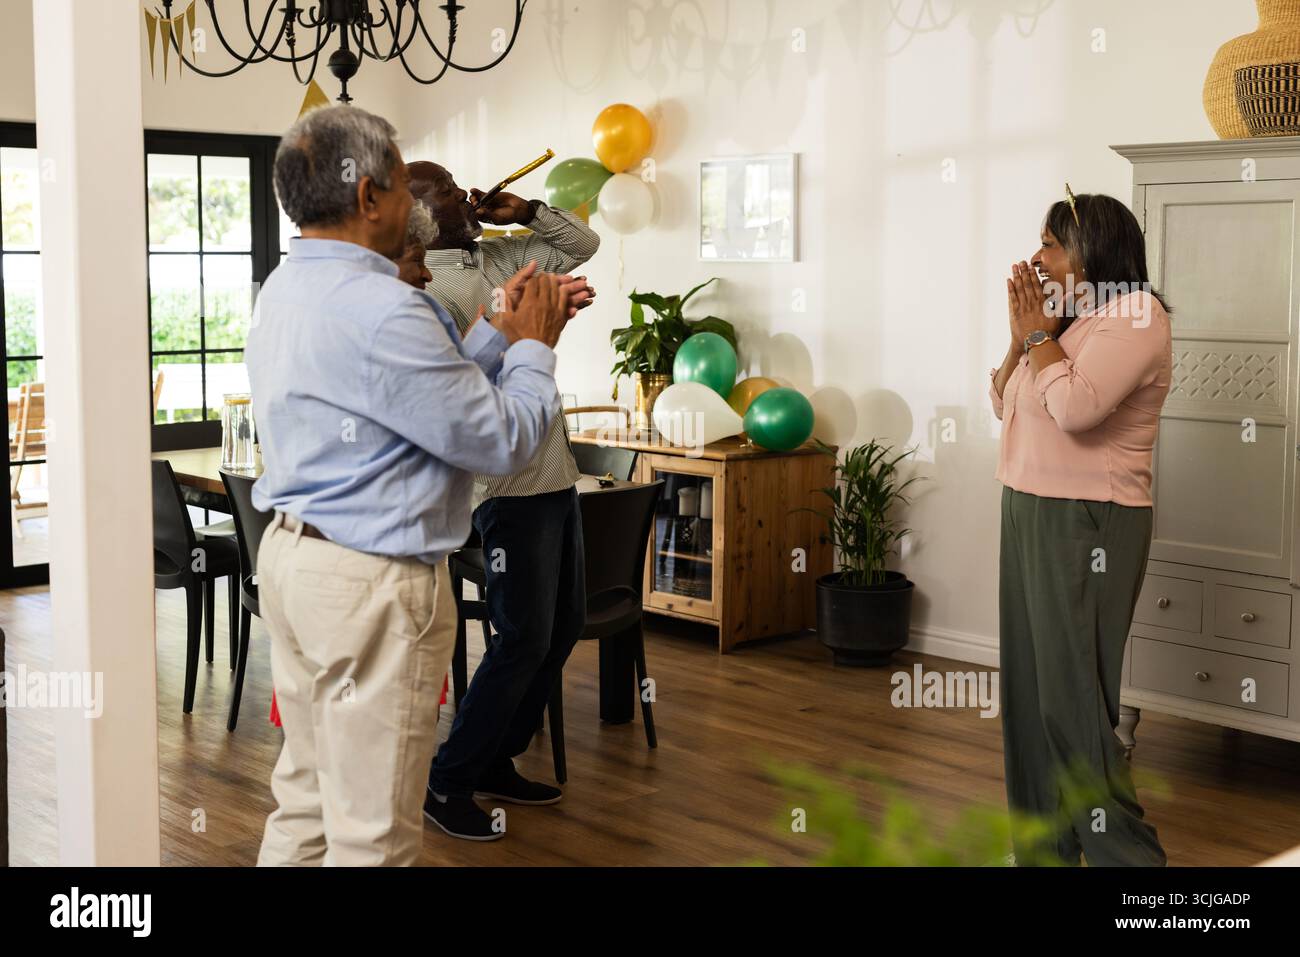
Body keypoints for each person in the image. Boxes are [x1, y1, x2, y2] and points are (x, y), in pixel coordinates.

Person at [246, 104, 575, 866]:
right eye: (402, 188)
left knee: (305, 806)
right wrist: (534, 349)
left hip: (296, 563)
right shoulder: (387, 309)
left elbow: (421, 393)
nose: (414, 208)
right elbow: (498, 439)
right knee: (376, 837)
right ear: (367, 197)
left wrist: (499, 328)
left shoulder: (283, 290)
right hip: (370, 586)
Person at [407, 160, 599, 841]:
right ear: (420, 215)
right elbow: (466, 384)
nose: (466, 194)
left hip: (554, 475)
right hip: (505, 488)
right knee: (519, 638)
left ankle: (493, 756)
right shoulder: (429, 290)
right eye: (448, 191)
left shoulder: (502, 249)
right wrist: (527, 328)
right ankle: (447, 777)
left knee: (562, 627)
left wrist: (524, 211)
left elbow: (583, 246)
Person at [989, 189, 1172, 867]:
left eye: (1052, 243)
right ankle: (1043, 853)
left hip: (1090, 522)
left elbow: (1073, 410)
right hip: (1025, 506)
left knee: (1072, 704)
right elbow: (1004, 397)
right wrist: (1022, 339)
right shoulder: (1069, 319)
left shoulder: (1135, 315)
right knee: (1030, 698)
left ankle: (1132, 864)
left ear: (1093, 250)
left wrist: (1039, 335)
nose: (1038, 257)